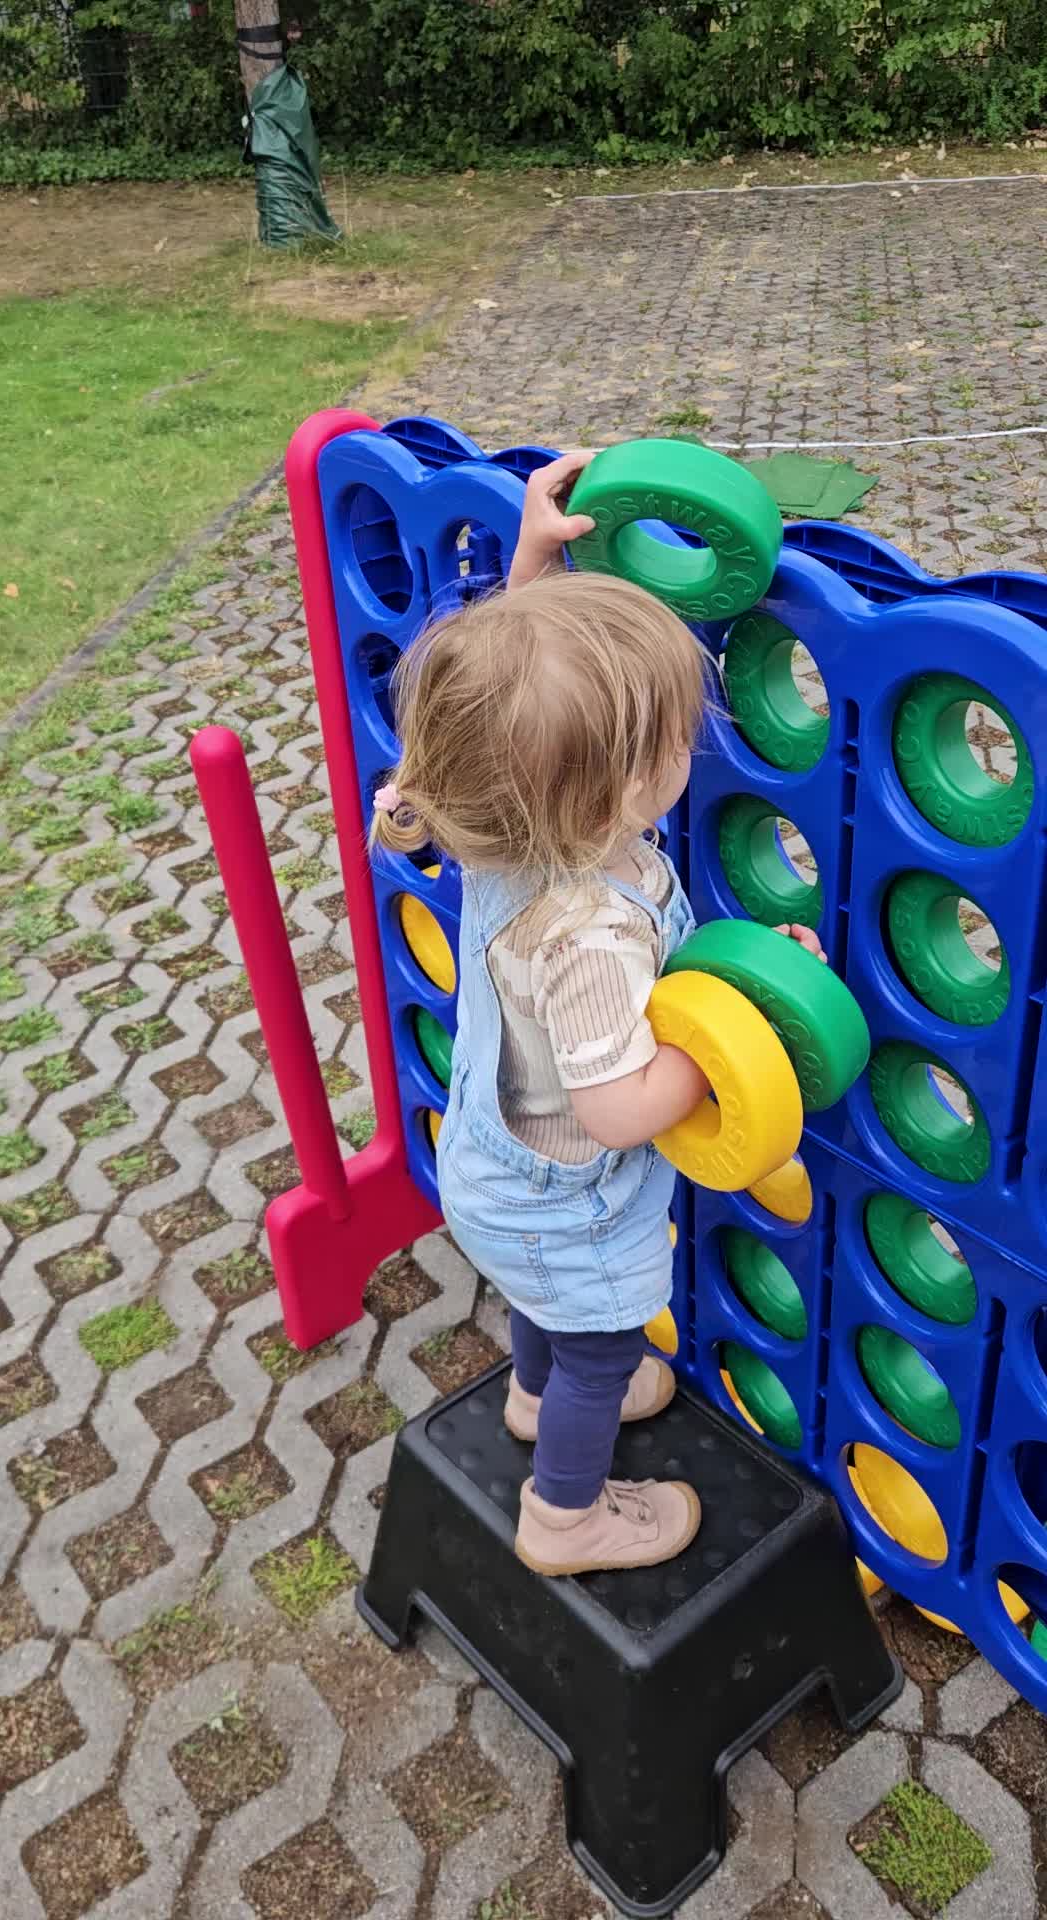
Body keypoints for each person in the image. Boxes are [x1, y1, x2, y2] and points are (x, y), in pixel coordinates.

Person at [371, 451, 824, 1577]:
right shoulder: (591, 935)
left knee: (549, 1308)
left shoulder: (502, 827)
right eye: (674, 739)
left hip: (496, 1169)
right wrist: (735, 1031)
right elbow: (620, 1108)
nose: (688, 746)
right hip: (571, 1202)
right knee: (601, 1346)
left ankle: (534, 1395)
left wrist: (531, 561)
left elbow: (501, 711)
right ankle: (564, 1517)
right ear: (619, 791)